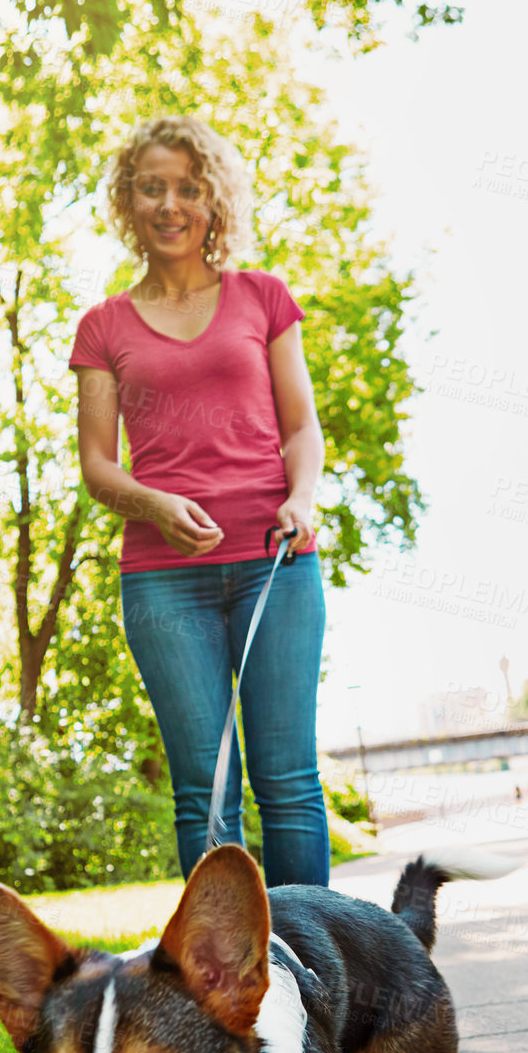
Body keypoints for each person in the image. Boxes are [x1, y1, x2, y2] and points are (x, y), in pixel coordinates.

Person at [68, 114, 329, 888]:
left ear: (213, 201)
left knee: (287, 785)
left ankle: (313, 976)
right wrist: (153, 506)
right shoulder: (103, 325)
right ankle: (220, 993)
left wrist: (304, 498)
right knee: (205, 796)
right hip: (162, 579)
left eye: (188, 188)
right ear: (129, 200)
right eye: (152, 188)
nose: (170, 204)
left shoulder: (263, 298)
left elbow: (301, 425)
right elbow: (95, 466)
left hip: (275, 563)